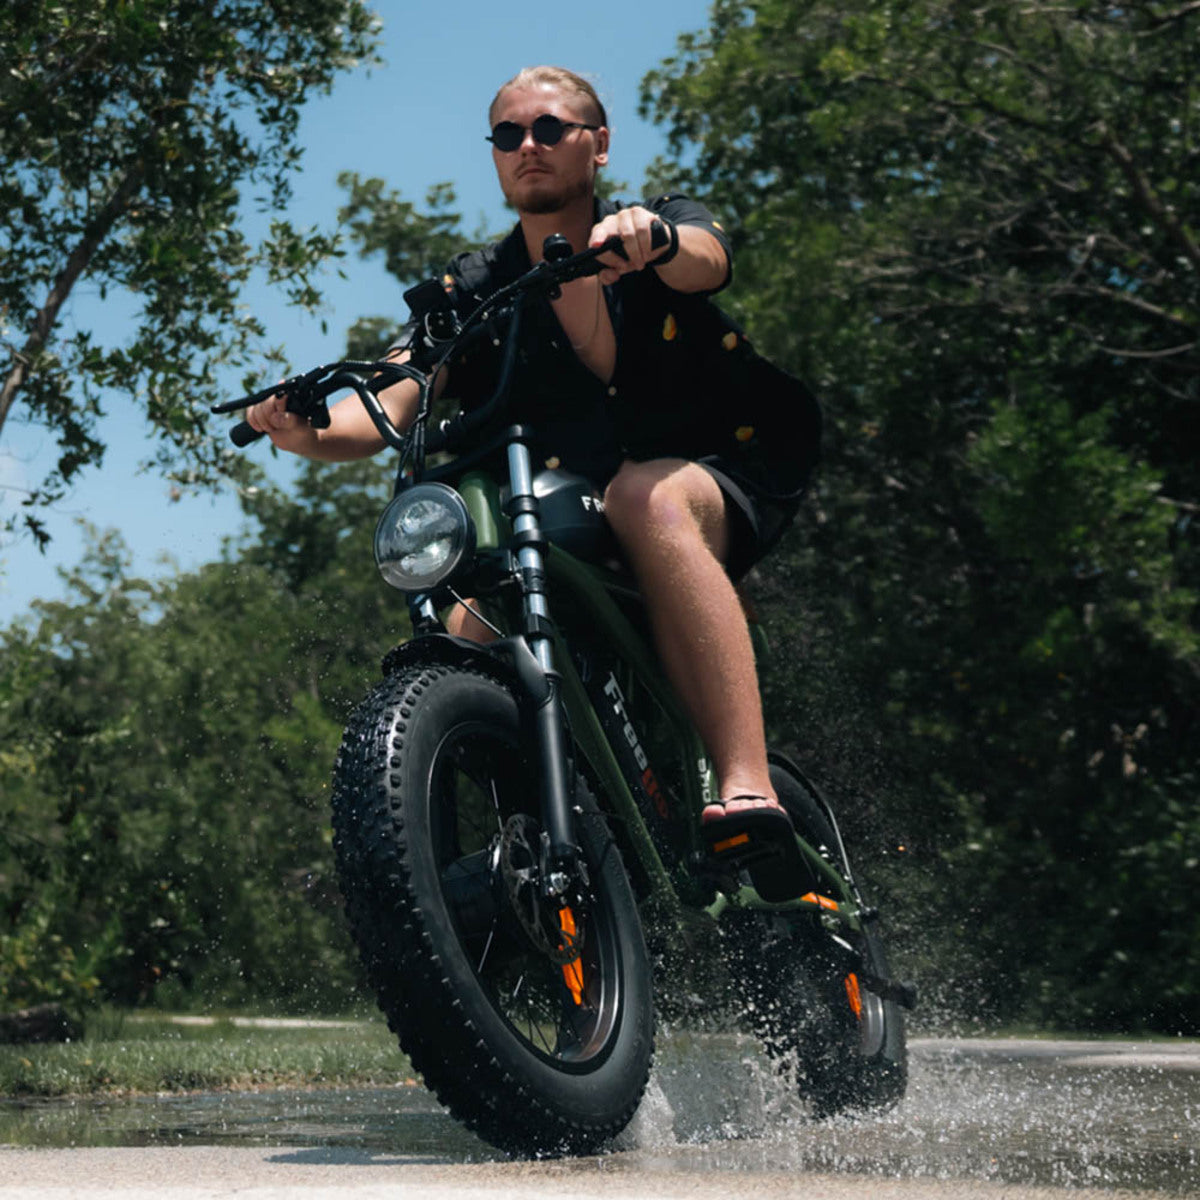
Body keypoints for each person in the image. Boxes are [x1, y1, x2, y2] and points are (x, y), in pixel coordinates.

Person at [245, 66, 820, 848]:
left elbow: (706, 259)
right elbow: (392, 396)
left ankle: (748, 788)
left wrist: (655, 242)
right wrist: (301, 429)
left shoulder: (650, 224)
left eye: (550, 128)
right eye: (509, 134)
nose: (528, 146)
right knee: (467, 626)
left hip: (721, 468)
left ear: (599, 144)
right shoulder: (475, 287)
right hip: (577, 500)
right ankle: (553, 860)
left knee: (643, 497)